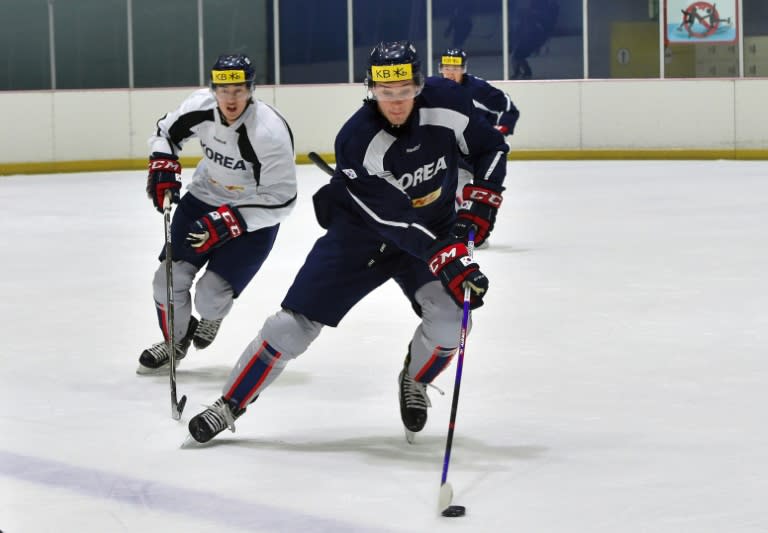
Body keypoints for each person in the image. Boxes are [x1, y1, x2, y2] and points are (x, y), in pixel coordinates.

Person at [186, 40, 508, 444]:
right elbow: (394, 218)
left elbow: (491, 147)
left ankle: (415, 378)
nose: (395, 103)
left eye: (404, 91)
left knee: (452, 321)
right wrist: (449, 256)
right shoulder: (357, 139)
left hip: (432, 233)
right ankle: (229, 404)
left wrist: (481, 206)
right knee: (290, 328)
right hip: (361, 237)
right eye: (385, 93)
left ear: (419, 84)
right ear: (370, 89)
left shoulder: (449, 103)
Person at [137, 54, 297, 374]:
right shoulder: (201, 107)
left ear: (251, 89)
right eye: (223, 90)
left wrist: (232, 220)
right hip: (202, 199)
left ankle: (212, 316)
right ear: (213, 90)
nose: (230, 98)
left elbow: (283, 198)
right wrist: (163, 162)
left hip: (252, 215)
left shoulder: (268, 132)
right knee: (166, 280)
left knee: (210, 296)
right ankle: (174, 342)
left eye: (238, 90)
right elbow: (166, 132)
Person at [438, 47, 519, 242]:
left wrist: (503, 128)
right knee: (458, 193)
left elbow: (508, 107)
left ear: (464, 69)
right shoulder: (435, 91)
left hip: (484, 151)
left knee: (484, 194)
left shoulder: (478, 89)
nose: (450, 72)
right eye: (446, 67)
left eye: (455, 68)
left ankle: (479, 225)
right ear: (440, 68)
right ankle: (467, 231)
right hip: (457, 154)